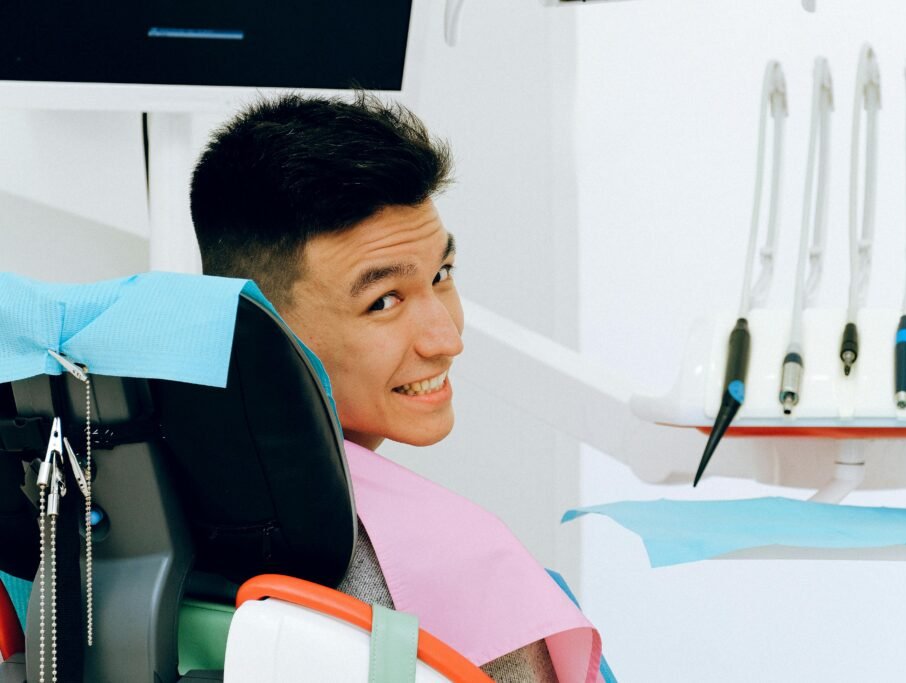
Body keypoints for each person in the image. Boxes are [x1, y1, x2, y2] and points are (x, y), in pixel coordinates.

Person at [190, 93, 600, 682]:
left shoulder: (123, 505)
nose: (446, 339)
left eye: (442, 275)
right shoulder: (461, 570)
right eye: (383, 301)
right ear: (264, 333)